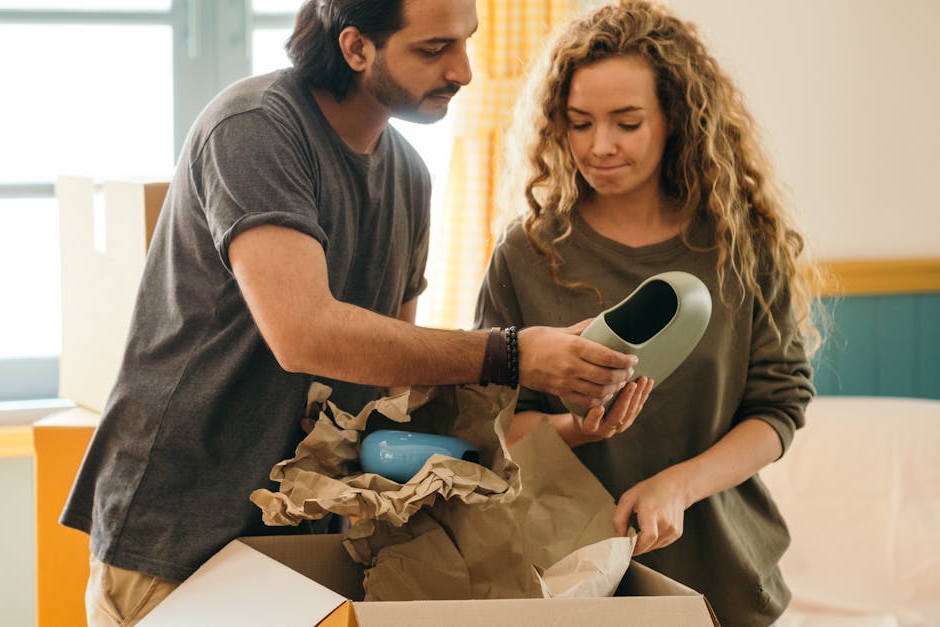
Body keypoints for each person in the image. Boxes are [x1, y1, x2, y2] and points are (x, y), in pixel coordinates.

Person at [60, 1, 646, 624]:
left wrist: (556, 428)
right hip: (177, 534)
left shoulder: (410, 178)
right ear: (356, 48)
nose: (464, 71)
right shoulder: (255, 128)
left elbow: (391, 384)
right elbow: (303, 333)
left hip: (302, 545)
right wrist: (512, 354)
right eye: (433, 49)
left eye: (465, 43)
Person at [474, 1, 819, 625]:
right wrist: (581, 430)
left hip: (724, 581)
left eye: (626, 123)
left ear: (675, 121)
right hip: (562, 581)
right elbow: (494, 433)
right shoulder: (525, 255)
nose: (599, 146)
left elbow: (779, 407)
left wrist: (678, 486)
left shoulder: (741, 245)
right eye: (580, 123)